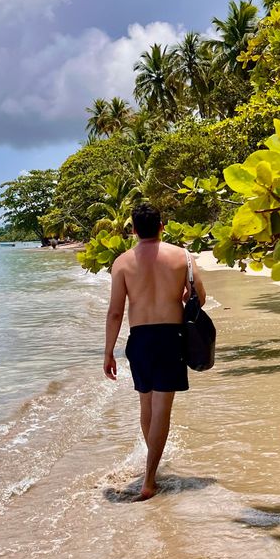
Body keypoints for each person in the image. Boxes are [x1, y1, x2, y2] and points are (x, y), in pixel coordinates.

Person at [103, 202, 206, 501]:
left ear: (133, 230)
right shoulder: (182, 257)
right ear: (162, 226)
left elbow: (114, 313)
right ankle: (150, 478)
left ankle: (152, 468)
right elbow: (200, 297)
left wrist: (108, 351)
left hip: (140, 339)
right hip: (170, 336)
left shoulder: (122, 263)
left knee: (146, 405)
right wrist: (183, 294)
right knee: (162, 408)